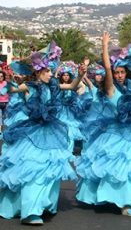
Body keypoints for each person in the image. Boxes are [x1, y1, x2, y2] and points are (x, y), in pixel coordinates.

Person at [0, 42, 86, 225]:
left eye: (50, 71)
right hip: (32, 131)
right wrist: (7, 79)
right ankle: (31, 210)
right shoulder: (29, 86)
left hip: (51, 131)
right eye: (47, 71)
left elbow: (71, 86)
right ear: (39, 72)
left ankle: (45, 205)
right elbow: (13, 89)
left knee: (50, 168)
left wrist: (81, 75)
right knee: (33, 168)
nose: (51, 74)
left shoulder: (54, 86)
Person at [75, 33, 131, 217]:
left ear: (126, 73)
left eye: (122, 72)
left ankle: (127, 200)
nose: (119, 75)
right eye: (117, 72)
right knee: (118, 167)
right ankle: (124, 204)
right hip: (114, 134)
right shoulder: (110, 89)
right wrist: (105, 46)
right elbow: (107, 68)